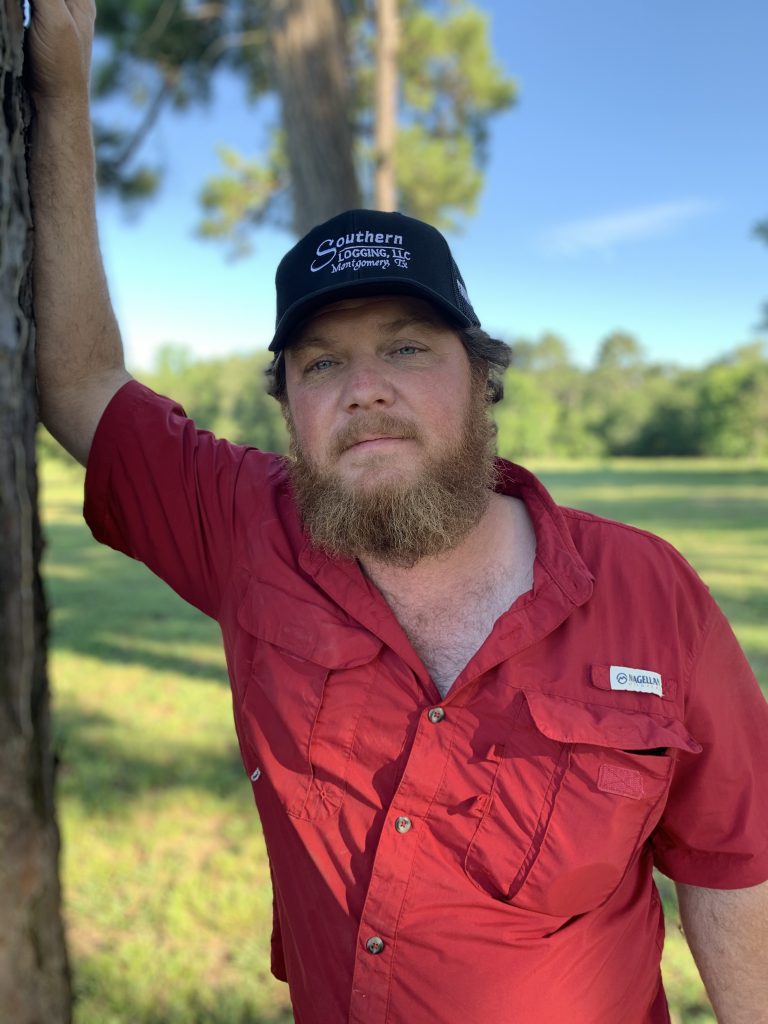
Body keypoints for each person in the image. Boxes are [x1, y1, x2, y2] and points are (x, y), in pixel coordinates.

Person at [27, 2, 768, 1023]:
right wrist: (65, 88)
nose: (364, 386)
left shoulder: (652, 595)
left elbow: (737, 872)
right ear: (290, 408)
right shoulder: (250, 528)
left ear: (482, 380)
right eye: (322, 362)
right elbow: (77, 382)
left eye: (408, 346)